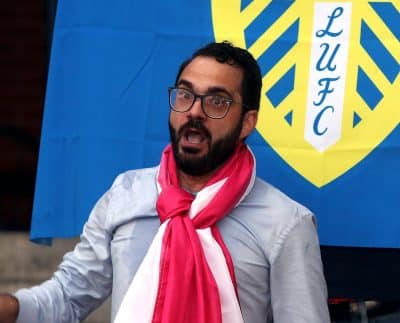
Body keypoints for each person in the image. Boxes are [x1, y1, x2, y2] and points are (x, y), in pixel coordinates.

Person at [0, 41, 330, 323]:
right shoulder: (127, 195)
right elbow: (68, 298)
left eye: (217, 101)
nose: (195, 112)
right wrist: (9, 307)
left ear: (247, 122)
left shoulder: (287, 223)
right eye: (185, 95)